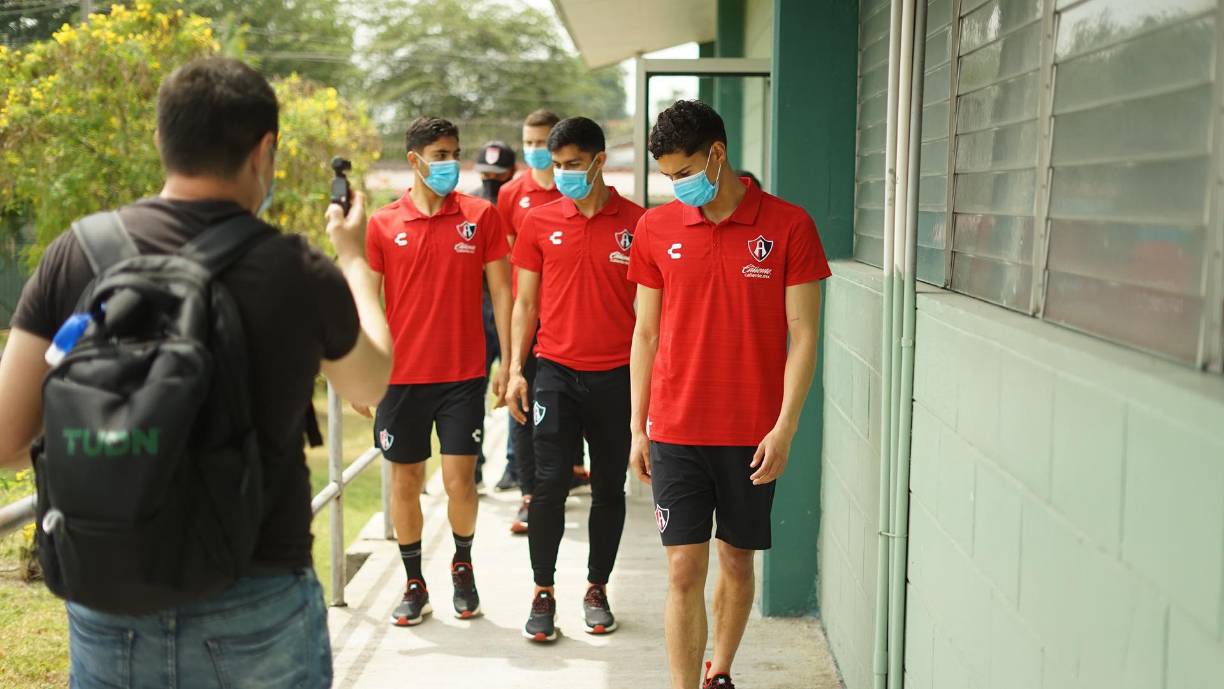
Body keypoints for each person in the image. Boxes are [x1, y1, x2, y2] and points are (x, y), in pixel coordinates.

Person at [0, 56, 392, 688]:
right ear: (265, 149)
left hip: (109, 600)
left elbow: (7, 442)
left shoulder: (77, 252)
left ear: (162, 138)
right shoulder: (294, 269)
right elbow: (370, 383)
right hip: (257, 596)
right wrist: (352, 261)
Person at [626, 100, 830, 689]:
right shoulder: (655, 228)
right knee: (683, 569)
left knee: (736, 562)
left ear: (717, 154)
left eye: (683, 172)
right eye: (666, 177)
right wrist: (637, 426)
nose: (675, 186)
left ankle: (720, 669)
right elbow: (644, 332)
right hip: (676, 429)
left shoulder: (789, 226)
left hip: (750, 435)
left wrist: (785, 427)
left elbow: (805, 333)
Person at [364, 116, 513, 627]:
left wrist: (510, 362)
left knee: (460, 483)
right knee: (404, 482)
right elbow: (365, 301)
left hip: (462, 375)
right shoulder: (382, 223)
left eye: (454, 152)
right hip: (399, 378)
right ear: (415, 160)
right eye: (440, 154)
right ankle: (413, 582)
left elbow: (502, 293)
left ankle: (462, 567)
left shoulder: (480, 217)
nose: (450, 162)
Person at [505, 116, 645, 642]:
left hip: (616, 378)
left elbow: (653, 319)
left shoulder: (638, 224)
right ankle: (543, 592)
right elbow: (525, 303)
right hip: (555, 375)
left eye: (572, 165)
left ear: (600, 161)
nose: (562, 173)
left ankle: (597, 588)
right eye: (556, 165)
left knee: (610, 489)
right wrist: (517, 369)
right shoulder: (540, 222)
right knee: (547, 487)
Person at [496, 110, 589, 532]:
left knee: (569, 413)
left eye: (541, 144)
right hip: (529, 318)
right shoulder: (512, 195)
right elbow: (515, 260)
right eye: (527, 143)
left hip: (571, 320)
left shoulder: (577, 191)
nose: (534, 151)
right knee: (523, 401)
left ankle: (568, 473)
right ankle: (529, 494)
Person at [473, 140, 518, 490]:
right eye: (485, 176)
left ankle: (514, 466)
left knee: (516, 384)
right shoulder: (472, 205)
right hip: (476, 307)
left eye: (497, 176)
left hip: (514, 303)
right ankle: (472, 462)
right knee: (475, 386)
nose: (491, 183)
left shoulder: (520, 202)